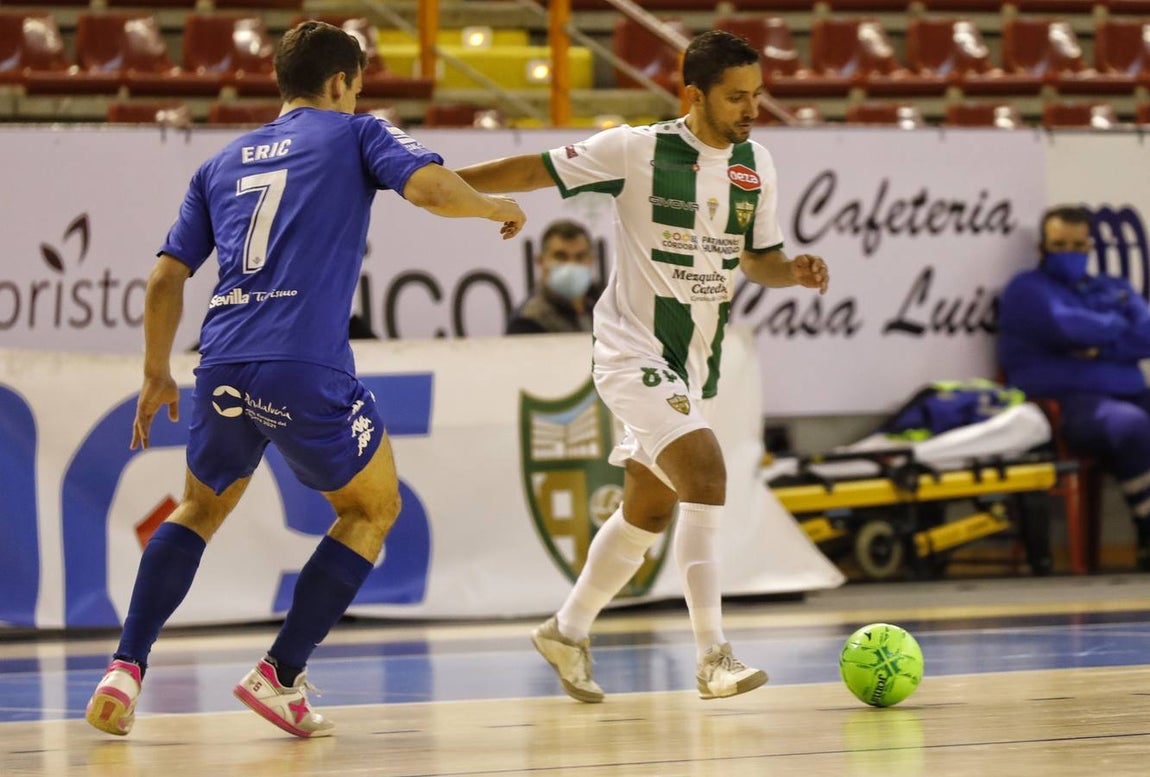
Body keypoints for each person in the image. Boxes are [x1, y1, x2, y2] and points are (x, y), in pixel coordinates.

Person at [85, 21, 525, 739]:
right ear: (341, 82)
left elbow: (166, 276)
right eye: (357, 87)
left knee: (198, 507)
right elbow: (430, 189)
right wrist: (492, 206)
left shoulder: (221, 162)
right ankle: (280, 674)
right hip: (301, 363)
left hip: (221, 358)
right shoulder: (357, 132)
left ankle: (124, 667)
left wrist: (156, 372)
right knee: (372, 509)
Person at [456, 30, 828, 702]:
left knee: (649, 511)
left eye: (757, 94)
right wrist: (438, 185)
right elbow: (534, 169)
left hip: (694, 362)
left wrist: (791, 272)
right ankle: (714, 656)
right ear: (693, 95)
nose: (752, 109)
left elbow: (757, 258)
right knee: (705, 471)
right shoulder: (636, 149)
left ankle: (566, 630)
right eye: (736, 97)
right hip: (632, 350)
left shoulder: (756, 164)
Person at [998, 204, 1150, 571]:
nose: (1070, 253)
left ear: (1090, 247)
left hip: (1127, 394)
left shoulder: (1110, 286)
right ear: (1042, 248)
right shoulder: (1026, 290)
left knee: (1134, 416)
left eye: (1078, 245)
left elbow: (1146, 333)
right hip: (1063, 407)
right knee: (1131, 425)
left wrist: (1099, 347)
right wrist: (1118, 323)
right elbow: (1069, 328)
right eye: (1059, 245)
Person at [507, 219, 600, 334]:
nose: (571, 264)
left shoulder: (605, 308)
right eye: (561, 257)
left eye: (580, 257)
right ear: (541, 261)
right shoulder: (527, 321)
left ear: (591, 260)